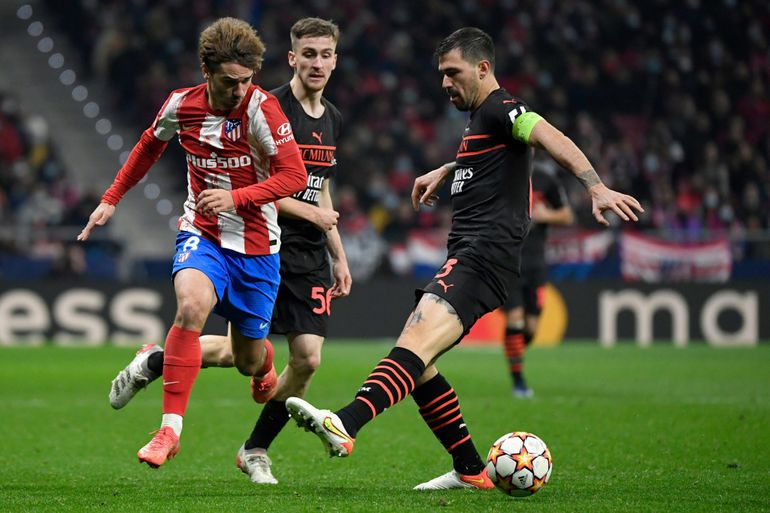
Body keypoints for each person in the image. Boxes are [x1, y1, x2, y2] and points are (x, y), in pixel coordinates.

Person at [284, 27, 643, 489]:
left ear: (483, 68)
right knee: (421, 364)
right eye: (442, 74)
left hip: (484, 256)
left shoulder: (502, 107)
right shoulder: (481, 120)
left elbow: (545, 133)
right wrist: (448, 168)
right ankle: (470, 469)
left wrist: (595, 186)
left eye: (453, 73)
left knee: (414, 343)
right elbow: (499, 159)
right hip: (470, 254)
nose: (445, 83)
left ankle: (346, 423)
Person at [107, 18, 351, 482]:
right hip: (238, 234)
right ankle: (225, 443)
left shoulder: (331, 118)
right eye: (309, 54)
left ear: (336, 60)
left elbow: (317, 188)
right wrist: (112, 198)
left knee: (279, 360)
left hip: (289, 250)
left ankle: (159, 363)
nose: (317, 63)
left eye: (326, 55)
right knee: (193, 308)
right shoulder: (265, 106)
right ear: (292, 58)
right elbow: (262, 181)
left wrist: (337, 252)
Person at [504, 165, 573, 398]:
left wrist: (547, 215)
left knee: (531, 328)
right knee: (515, 317)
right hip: (508, 261)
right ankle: (518, 381)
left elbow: (567, 215)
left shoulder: (545, 179)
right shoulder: (502, 173)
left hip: (536, 264)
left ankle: (513, 347)